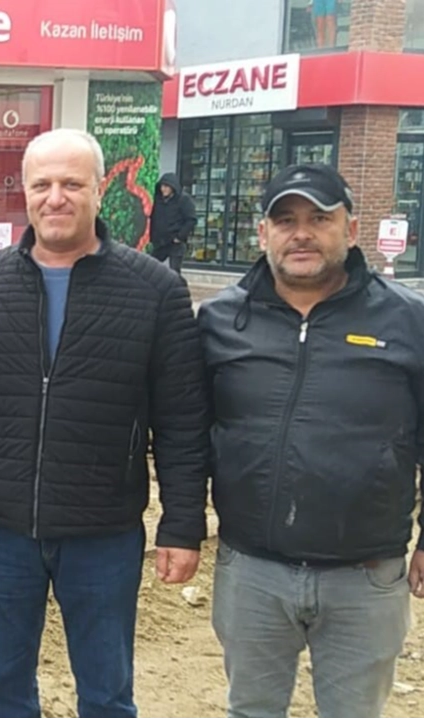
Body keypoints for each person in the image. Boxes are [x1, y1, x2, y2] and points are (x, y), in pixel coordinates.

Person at [0, 128, 211, 719]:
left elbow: (182, 419)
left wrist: (183, 523)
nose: (56, 198)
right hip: (1, 530)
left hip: (104, 532)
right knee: (3, 686)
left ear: (99, 191)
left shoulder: (155, 290)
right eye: (42, 185)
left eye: (72, 184)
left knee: (106, 691)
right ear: (25, 193)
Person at [198, 162, 424, 719]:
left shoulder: (408, 322)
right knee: (250, 710)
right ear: (263, 234)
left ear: (351, 230)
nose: (301, 234)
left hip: (366, 575)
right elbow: (187, 434)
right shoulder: (220, 321)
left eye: (319, 219)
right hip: (251, 569)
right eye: (285, 220)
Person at [149, 172, 197, 275]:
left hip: (176, 243)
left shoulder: (184, 200)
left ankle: (176, 286)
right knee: (149, 267)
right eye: (162, 186)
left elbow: (191, 219)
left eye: (166, 187)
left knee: (174, 272)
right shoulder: (158, 200)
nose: (163, 189)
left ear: (173, 187)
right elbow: (153, 218)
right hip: (160, 242)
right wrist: (152, 238)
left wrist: (180, 237)